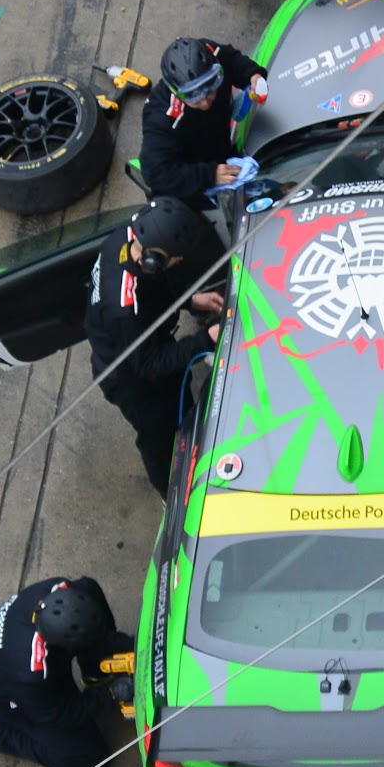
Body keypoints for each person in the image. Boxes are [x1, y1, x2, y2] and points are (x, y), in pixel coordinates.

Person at [85, 197, 223, 497]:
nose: (179, 262)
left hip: (147, 339)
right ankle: (171, 496)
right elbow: (148, 363)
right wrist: (205, 339)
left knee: (182, 406)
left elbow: (159, 283)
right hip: (129, 376)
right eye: (176, 259)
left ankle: (194, 441)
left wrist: (190, 299)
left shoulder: (128, 239)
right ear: (153, 260)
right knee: (159, 439)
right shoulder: (124, 309)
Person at [0, 576, 134, 767]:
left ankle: (95, 674)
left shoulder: (65, 590)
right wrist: (110, 695)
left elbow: (92, 607)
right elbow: (61, 713)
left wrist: (120, 644)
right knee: (91, 758)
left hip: (14, 650)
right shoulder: (31, 676)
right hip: (5, 697)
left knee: (89, 587)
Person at [139, 36, 268, 205]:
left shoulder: (213, 54)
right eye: (194, 98)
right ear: (175, 92)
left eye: (210, 90)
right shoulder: (161, 117)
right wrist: (210, 175)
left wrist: (252, 74)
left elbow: (231, 59)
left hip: (220, 149)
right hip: (192, 184)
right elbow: (155, 172)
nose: (206, 102)